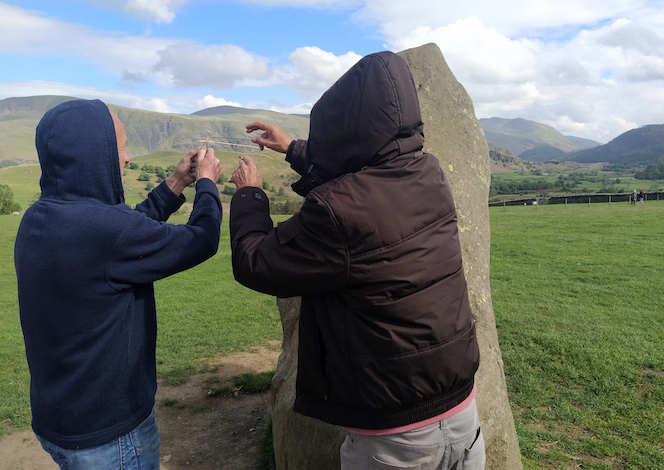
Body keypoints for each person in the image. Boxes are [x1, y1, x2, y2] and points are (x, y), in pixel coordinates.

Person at [229, 51, 484, 469]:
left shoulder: (337, 209)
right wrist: (294, 149)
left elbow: (256, 261)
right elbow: (367, 163)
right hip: (460, 412)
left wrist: (249, 195)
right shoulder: (429, 174)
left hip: (396, 438)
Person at [14, 99, 222, 469]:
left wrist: (176, 183)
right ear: (95, 152)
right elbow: (201, 240)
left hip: (59, 421)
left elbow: (121, 236)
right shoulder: (105, 231)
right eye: (121, 148)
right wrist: (207, 183)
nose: (125, 159)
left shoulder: (40, 216)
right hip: (110, 434)